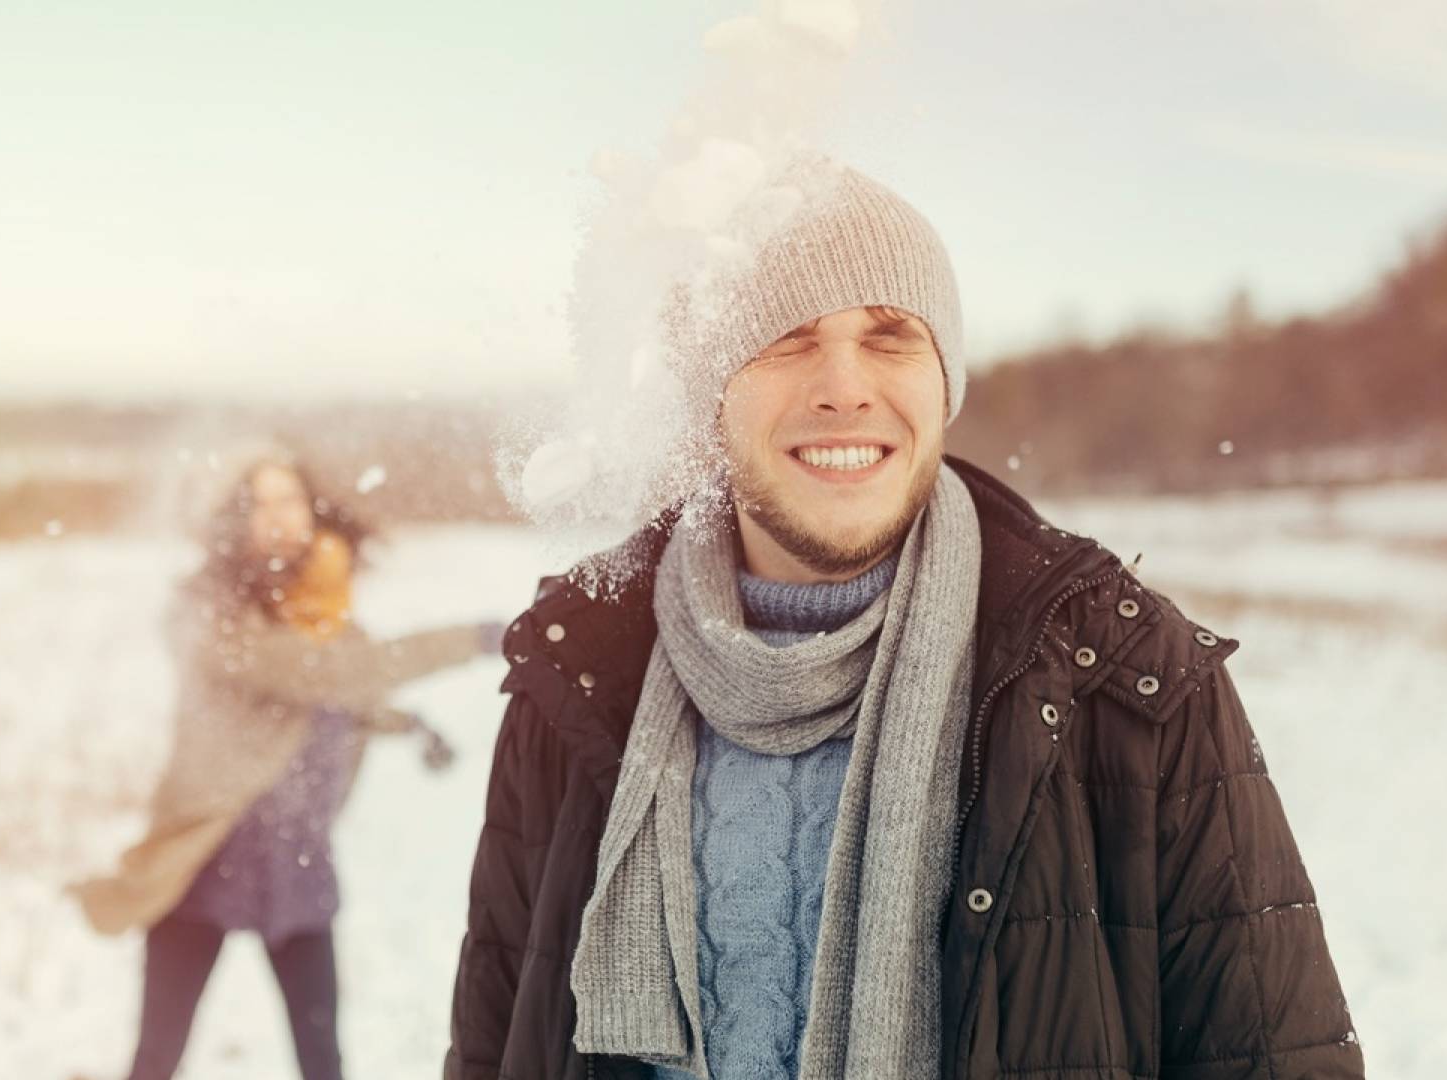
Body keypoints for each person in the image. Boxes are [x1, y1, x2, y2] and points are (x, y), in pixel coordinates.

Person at [445, 157, 1363, 1079]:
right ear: (707, 394)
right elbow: (496, 1040)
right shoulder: (581, 671)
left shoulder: (1126, 676)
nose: (844, 387)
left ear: (942, 380)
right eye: (785, 337)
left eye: (889, 336)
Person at [72, 456, 497, 1080]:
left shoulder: (326, 619)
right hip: (203, 860)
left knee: (323, 1062)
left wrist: (406, 725)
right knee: (156, 1059)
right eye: (261, 503)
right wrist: (480, 636)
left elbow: (335, 694)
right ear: (234, 520)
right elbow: (327, 674)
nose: (279, 518)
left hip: (298, 866)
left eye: (290, 499)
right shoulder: (212, 614)